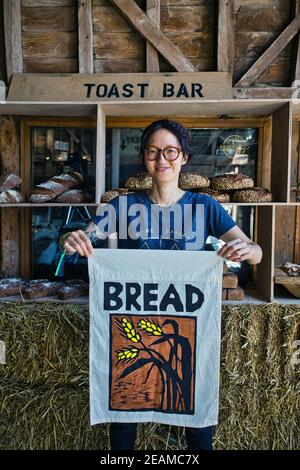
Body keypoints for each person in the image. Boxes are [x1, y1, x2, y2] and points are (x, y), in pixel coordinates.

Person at [61, 119, 262, 450]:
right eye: (153, 151)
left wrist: (249, 249)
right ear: (144, 157)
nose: (162, 159)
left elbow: (254, 252)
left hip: (183, 330)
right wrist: (73, 239)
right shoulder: (122, 207)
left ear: (184, 157)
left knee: (196, 422)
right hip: (133, 329)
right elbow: (83, 236)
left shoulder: (206, 207)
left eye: (170, 151)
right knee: (125, 416)